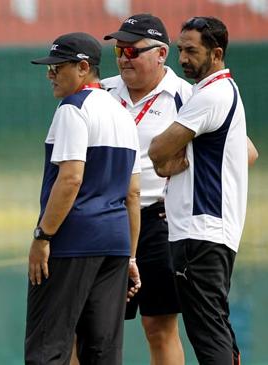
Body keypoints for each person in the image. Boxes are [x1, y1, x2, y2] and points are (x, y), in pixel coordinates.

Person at [25, 32, 141, 365]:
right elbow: (132, 193)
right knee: (102, 351)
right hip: (115, 243)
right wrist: (130, 255)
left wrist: (42, 236)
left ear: (82, 67)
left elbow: (71, 177)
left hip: (72, 240)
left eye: (57, 68)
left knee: (48, 347)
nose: (50, 75)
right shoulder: (123, 114)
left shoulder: (72, 109)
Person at [149, 16, 249, 365]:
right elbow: (249, 152)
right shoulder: (218, 92)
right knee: (214, 330)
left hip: (200, 231)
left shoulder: (212, 95)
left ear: (216, 53)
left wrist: (167, 164)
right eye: (180, 50)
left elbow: (157, 150)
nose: (183, 58)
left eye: (191, 51)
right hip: (207, 232)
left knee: (208, 336)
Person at [102, 13, 191, 365]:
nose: (124, 57)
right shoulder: (101, 92)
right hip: (107, 218)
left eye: (133, 50)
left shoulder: (188, 96)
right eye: (119, 50)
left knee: (159, 325)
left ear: (161, 54)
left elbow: (239, 152)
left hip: (159, 220)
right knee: (93, 325)